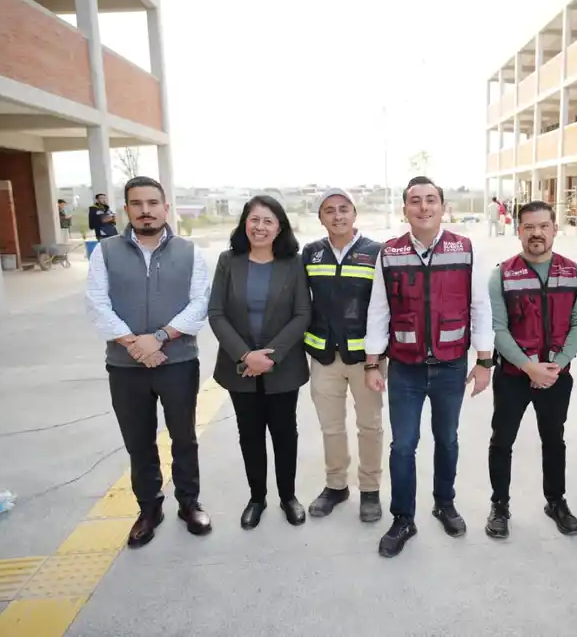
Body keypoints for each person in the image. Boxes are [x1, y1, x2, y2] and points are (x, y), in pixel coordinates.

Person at [364, 176, 494, 558]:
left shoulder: (466, 249)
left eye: (431, 200)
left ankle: (444, 502)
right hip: (405, 369)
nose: (424, 207)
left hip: (451, 366)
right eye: (415, 201)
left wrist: (484, 360)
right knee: (403, 445)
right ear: (405, 209)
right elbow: (378, 310)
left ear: (442, 206)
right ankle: (403, 517)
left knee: (447, 440)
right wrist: (373, 363)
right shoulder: (389, 253)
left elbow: (480, 308)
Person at [84, 176, 211, 548]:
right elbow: (96, 303)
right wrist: (133, 344)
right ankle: (149, 508)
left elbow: (200, 303)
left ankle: (189, 504)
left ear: (165, 208)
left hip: (178, 362)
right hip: (125, 367)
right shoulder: (105, 252)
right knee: (139, 441)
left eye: (153, 203)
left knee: (184, 437)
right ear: (127, 210)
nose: (145, 211)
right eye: (137, 204)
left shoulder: (189, 252)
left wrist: (157, 339)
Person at [485, 200, 577, 540]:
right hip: (514, 377)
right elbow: (498, 329)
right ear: (518, 231)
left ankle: (556, 501)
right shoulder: (502, 274)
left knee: (554, 440)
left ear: (555, 229)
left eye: (544, 226)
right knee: (502, 441)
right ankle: (499, 505)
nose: (536, 233)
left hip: (557, 377)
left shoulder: (573, 272)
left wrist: (555, 366)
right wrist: (529, 366)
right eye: (529, 227)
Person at [208, 195, 310, 530]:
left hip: (282, 368)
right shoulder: (229, 261)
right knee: (249, 434)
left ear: (280, 227)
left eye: (268, 221)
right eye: (254, 219)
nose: (260, 227)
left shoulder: (293, 263)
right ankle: (257, 498)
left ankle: (288, 497)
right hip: (239, 368)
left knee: (284, 433)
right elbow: (217, 313)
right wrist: (245, 355)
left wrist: (270, 356)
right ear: (244, 223)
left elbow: (301, 315)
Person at [301, 188, 385, 523]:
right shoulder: (311, 253)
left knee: (370, 425)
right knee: (331, 427)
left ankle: (370, 489)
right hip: (324, 356)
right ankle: (336, 486)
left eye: (343, 209)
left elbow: (384, 308)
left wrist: (375, 360)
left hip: (366, 360)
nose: (338, 216)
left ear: (355, 213)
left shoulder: (376, 253)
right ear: (320, 217)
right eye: (329, 210)